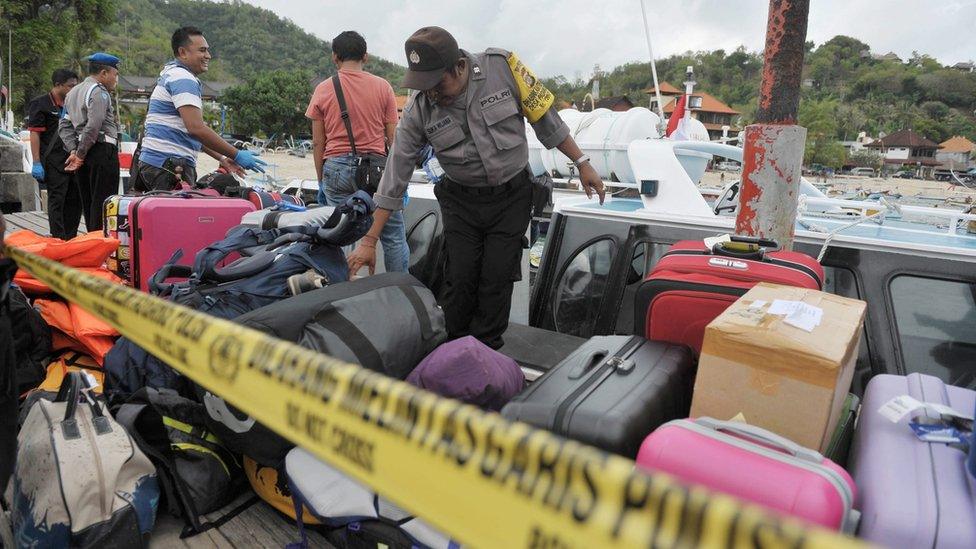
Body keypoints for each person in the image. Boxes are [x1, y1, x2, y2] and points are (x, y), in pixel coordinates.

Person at [348, 27, 605, 349]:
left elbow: (547, 121)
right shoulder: (419, 107)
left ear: (459, 66)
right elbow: (396, 173)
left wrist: (582, 163)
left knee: (496, 279)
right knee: (459, 280)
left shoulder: (504, 67)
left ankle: (485, 353)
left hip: (511, 197)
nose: (431, 93)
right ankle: (451, 353)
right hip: (461, 201)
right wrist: (370, 240)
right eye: (423, 85)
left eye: (436, 83)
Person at [305, 31, 408, 272]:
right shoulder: (383, 87)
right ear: (366, 56)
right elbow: (394, 140)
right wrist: (399, 182)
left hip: (336, 169)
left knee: (338, 236)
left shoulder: (323, 88)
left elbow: (318, 143)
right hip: (376, 171)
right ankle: (399, 291)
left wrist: (322, 180)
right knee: (393, 237)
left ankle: (341, 290)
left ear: (334, 57)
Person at [133, 26, 265, 191]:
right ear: (183, 52)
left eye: (207, 51)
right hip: (169, 166)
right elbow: (196, 129)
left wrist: (222, 158)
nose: (208, 56)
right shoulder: (183, 78)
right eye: (202, 51)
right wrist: (236, 154)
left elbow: (189, 132)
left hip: (158, 163)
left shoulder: (172, 73)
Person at [59, 53, 122, 233]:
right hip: (102, 151)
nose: (116, 79)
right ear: (103, 73)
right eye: (115, 74)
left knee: (88, 204)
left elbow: (64, 125)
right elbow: (94, 125)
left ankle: (92, 245)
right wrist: (78, 154)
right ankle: (101, 248)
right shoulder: (98, 92)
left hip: (84, 151)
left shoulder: (72, 93)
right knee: (104, 204)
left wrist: (74, 150)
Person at [27, 69, 80, 239]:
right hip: (53, 161)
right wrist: (36, 162)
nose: (73, 89)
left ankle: (70, 237)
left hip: (73, 159)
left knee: (75, 199)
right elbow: (35, 133)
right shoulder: (40, 104)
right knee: (57, 199)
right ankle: (58, 237)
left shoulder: (74, 104)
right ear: (58, 85)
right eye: (70, 86)